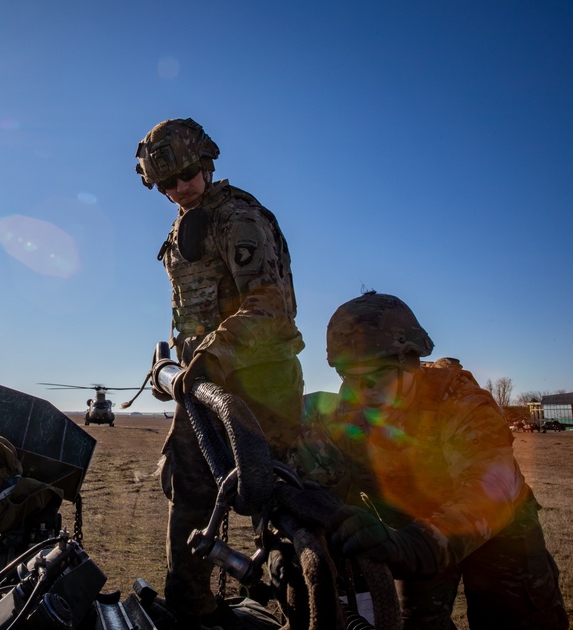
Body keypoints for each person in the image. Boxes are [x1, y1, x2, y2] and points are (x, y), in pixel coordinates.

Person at [297, 291, 567, 629]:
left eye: (373, 377)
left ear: (408, 362)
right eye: (347, 376)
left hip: (499, 530)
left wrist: (415, 545)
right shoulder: (345, 409)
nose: (359, 392)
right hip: (414, 527)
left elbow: (492, 488)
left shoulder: (461, 401)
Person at [135, 118, 305, 626]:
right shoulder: (184, 223)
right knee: (187, 491)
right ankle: (189, 604)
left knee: (273, 507)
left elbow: (270, 306)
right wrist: (181, 359)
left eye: (186, 175)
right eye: (166, 184)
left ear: (206, 163)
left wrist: (212, 352)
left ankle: (301, 610)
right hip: (202, 383)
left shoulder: (237, 217)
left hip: (259, 383)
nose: (178, 189)